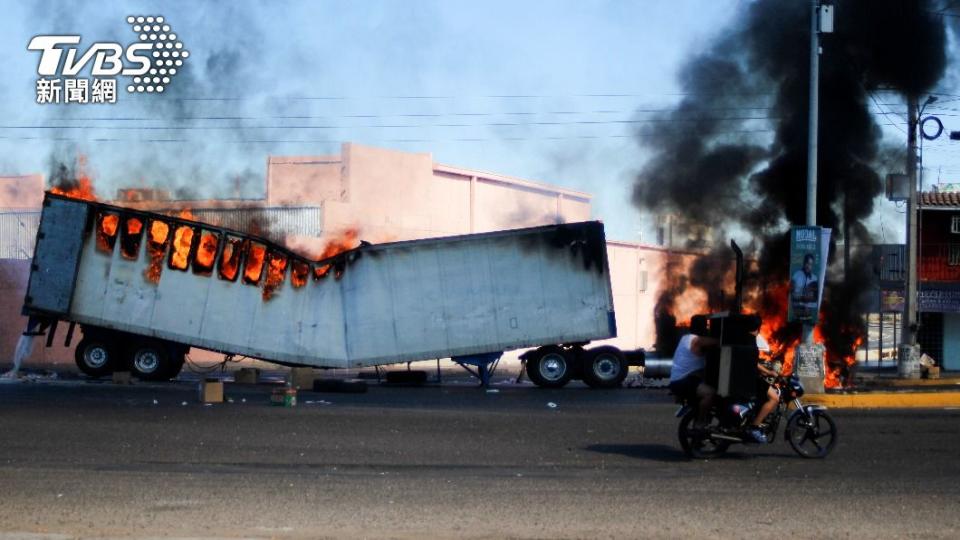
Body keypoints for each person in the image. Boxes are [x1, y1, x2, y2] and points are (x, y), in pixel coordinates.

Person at [668, 316, 718, 427]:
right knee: (710, 393)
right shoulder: (696, 340)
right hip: (683, 382)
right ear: (702, 327)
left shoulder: (685, 338)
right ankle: (700, 422)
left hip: (679, 381)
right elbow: (718, 341)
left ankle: (699, 425)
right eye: (706, 326)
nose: (707, 329)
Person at [745, 315, 780, 443]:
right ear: (758, 328)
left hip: (746, 377)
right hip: (749, 379)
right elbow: (753, 364)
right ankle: (754, 427)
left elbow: (753, 362)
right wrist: (769, 372)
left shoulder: (743, 339)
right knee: (774, 398)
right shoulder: (751, 342)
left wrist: (767, 372)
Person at [790, 253, 819, 320]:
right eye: (807, 263)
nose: (808, 266)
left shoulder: (815, 278)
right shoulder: (796, 275)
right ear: (804, 263)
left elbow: (815, 298)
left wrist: (808, 304)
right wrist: (801, 299)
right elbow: (792, 295)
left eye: (811, 264)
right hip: (797, 311)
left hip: (809, 314)